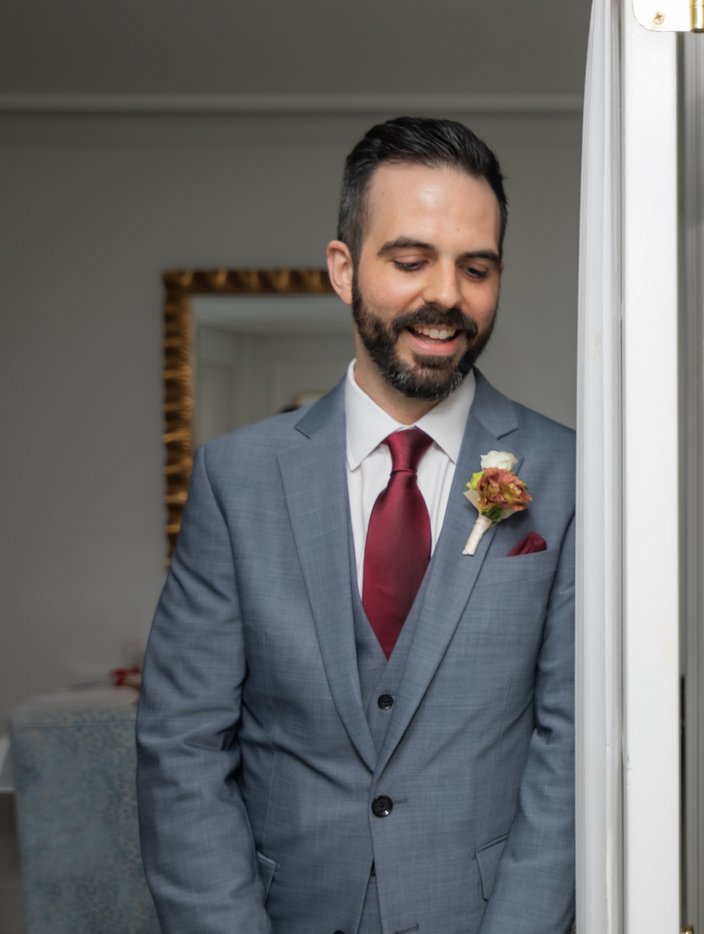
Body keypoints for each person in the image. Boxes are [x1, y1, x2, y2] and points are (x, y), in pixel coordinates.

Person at [137, 117, 575, 933]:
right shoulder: (238, 478)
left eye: (474, 268)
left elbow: (572, 746)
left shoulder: (565, 474)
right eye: (411, 261)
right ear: (343, 268)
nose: (445, 294)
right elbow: (183, 748)